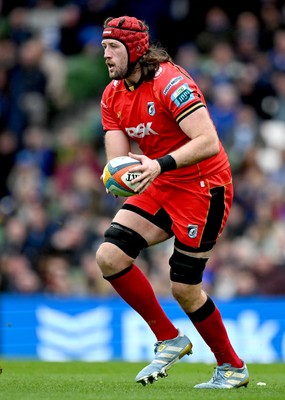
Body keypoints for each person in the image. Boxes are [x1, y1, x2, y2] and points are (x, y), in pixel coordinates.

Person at [96, 15, 249, 389]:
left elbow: (208, 141)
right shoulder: (112, 95)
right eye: (103, 47)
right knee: (109, 256)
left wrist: (157, 165)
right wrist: (118, 177)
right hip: (161, 182)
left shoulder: (171, 82)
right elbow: (120, 164)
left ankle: (232, 367)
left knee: (184, 287)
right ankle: (169, 338)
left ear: (134, 49)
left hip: (204, 186)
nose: (106, 55)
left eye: (112, 47)